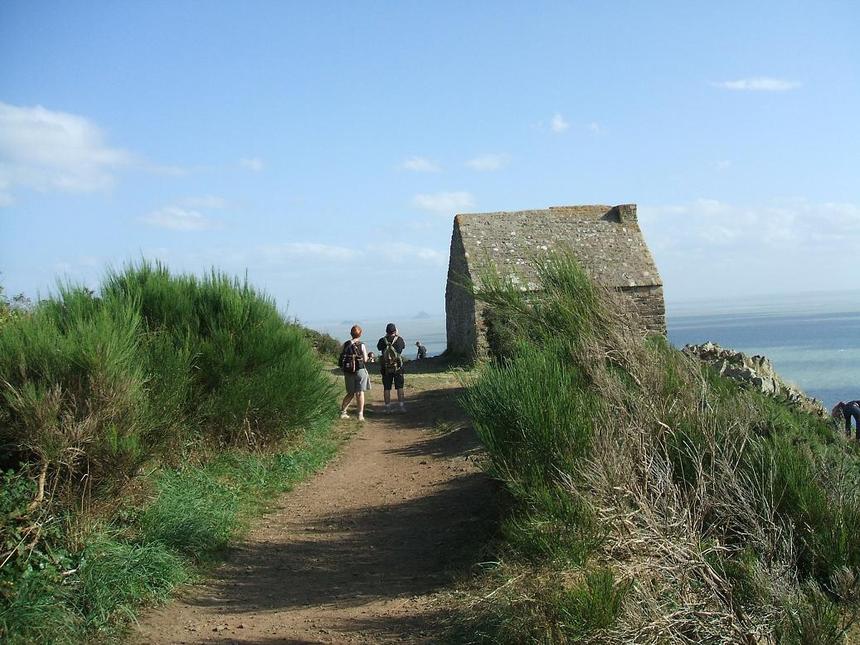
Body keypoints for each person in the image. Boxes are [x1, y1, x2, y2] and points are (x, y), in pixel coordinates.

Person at [339, 324, 370, 421]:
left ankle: (343, 412)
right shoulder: (361, 345)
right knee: (360, 392)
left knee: (350, 393)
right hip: (360, 370)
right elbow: (365, 359)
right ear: (360, 334)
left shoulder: (346, 344)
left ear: (351, 334)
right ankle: (360, 414)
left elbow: (341, 356)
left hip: (348, 371)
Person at [377, 322, 406, 412]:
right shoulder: (399, 340)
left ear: (386, 331)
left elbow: (378, 348)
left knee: (387, 388)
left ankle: (388, 408)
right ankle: (401, 406)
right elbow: (403, 347)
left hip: (386, 368)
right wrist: (397, 335)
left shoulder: (382, 340)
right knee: (400, 387)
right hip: (397, 367)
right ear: (395, 330)